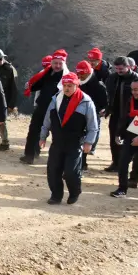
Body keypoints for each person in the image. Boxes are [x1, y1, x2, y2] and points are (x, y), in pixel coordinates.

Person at [38, 71, 99, 205]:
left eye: (70, 85)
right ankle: (56, 195)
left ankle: (74, 192)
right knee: (53, 170)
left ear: (76, 85)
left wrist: (89, 142)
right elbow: (47, 120)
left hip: (75, 143)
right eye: (65, 85)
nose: (67, 88)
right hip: (57, 142)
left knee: (71, 172)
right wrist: (43, 137)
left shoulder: (86, 102)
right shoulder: (56, 100)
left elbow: (93, 125)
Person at [102, 56, 138, 171]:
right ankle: (116, 163)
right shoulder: (112, 78)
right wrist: (107, 107)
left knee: (129, 140)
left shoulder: (137, 79)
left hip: (131, 115)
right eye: (117, 68)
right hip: (115, 113)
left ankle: (125, 164)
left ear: (128, 67)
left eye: (121, 69)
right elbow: (108, 95)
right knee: (114, 138)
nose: (119, 71)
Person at [22, 50, 67, 164]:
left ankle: (58, 159)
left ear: (64, 63)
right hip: (42, 106)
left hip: (57, 109)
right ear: (51, 63)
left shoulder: (67, 77)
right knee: (34, 130)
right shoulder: (47, 72)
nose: (57, 66)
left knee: (57, 135)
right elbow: (39, 84)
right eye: (55, 63)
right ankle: (30, 155)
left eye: (59, 63)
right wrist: (31, 86)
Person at [75, 60, 108, 172]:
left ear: (88, 73)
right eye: (78, 73)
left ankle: (83, 163)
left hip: (91, 117)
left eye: (82, 74)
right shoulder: (76, 83)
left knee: (86, 140)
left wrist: (97, 112)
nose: (79, 76)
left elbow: (104, 103)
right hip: (77, 115)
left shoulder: (99, 87)